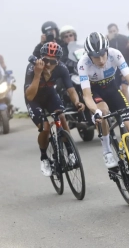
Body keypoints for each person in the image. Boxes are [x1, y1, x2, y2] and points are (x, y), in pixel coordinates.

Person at [77, 32, 129, 177]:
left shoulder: (115, 54)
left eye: (103, 55)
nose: (101, 60)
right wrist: (94, 110)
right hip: (95, 93)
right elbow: (86, 95)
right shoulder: (83, 64)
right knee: (103, 112)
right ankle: (107, 151)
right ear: (89, 55)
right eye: (96, 57)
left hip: (112, 89)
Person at [24, 42, 85, 176]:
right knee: (45, 128)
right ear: (41, 58)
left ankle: (70, 152)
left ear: (58, 61)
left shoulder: (61, 68)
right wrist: (38, 74)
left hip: (50, 95)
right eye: (46, 60)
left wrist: (77, 102)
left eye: (53, 61)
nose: (49, 64)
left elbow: (71, 89)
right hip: (34, 99)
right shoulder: (32, 67)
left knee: (62, 117)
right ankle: (44, 157)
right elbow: (30, 95)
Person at [107, 23, 129, 118]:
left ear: (117, 30)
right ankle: (118, 111)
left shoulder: (124, 38)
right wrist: (107, 39)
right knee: (116, 90)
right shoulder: (107, 41)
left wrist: (128, 69)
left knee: (124, 89)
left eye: (114, 31)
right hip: (113, 69)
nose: (113, 33)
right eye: (111, 31)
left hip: (124, 67)